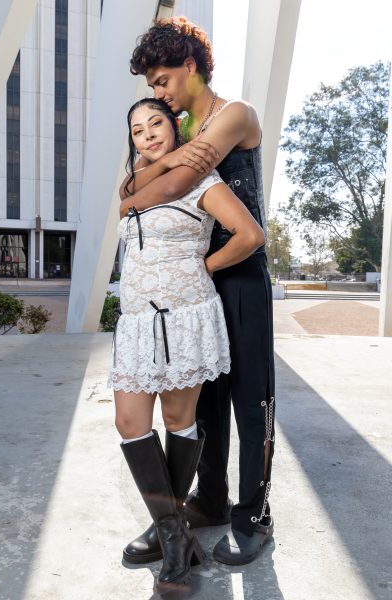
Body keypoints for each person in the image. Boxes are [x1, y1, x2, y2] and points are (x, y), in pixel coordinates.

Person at [118, 16, 276, 566]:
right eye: (152, 88)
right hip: (193, 284)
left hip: (239, 270)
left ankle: (254, 516)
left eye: (161, 81)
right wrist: (154, 168)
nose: (158, 95)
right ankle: (207, 501)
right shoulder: (178, 132)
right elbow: (130, 189)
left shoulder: (233, 114)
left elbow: (180, 182)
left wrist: (152, 171)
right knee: (199, 396)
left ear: (190, 66)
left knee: (250, 400)